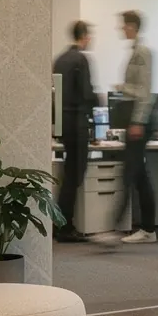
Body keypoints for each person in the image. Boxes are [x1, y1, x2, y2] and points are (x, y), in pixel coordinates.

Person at [111, 10, 157, 244]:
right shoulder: (135, 51)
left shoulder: (143, 52)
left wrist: (138, 121)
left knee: (130, 173)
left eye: (123, 26)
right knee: (139, 176)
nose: (121, 29)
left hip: (139, 122)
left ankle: (114, 228)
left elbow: (144, 91)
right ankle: (148, 229)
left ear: (132, 26)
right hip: (134, 120)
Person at [52, 20, 97, 243]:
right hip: (78, 124)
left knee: (68, 176)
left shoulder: (59, 60)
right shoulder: (81, 59)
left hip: (63, 125)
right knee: (74, 177)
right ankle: (65, 227)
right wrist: (100, 99)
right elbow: (87, 94)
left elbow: (56, 95)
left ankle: (60, 223)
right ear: (84, 36)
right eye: (90, 36)